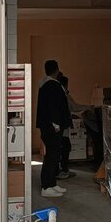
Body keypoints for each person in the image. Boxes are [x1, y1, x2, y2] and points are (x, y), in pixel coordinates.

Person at [35, 59, 71, 199]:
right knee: (51, 156)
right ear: (56, 70)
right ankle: (46, 186)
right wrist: (55, 125)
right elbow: (53, 108)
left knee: (54, 155)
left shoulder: (46, 84)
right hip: (52, 127)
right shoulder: (52, 86)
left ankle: (52, 183)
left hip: (49, 126)